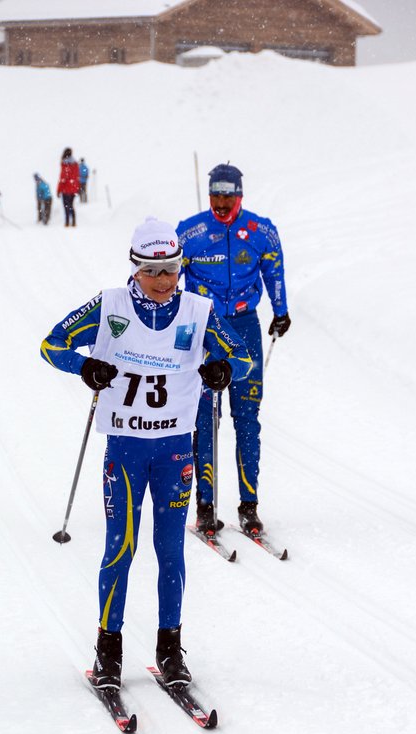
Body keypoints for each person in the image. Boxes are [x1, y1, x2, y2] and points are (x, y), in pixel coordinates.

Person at [40, 217, 252, 691]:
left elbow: (242, 358)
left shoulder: (199, 310)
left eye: (172, 270)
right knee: (122, 547)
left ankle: (170, 650)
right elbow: (51, 345)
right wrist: (85, 365)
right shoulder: (111, 305)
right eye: (153, 271)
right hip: (126, 451)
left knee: (170, 551)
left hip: (176, 451)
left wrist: (223, 370)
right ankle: (108, 651)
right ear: (134, 268)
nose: (163, 281)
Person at [176, 163, 291, 536]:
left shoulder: (260, 231)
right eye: (216, 194)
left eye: (229, 195)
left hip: (244, 328)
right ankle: (205, 507)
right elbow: (165, 275)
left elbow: (274, 269)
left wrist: (281, 310)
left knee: (247, 418)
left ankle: (249, 505)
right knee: (206, 418)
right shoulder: (190, 232)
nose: (222, 202)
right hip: (204, 328)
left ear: (240, 195)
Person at [57, 148, 79, 227]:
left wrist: (58, 190)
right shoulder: (75, 164)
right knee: (71, 205)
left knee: (66, 206)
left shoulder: (65, 164)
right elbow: (77, 177)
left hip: (66, 189)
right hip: (73, 189)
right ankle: (73, 221)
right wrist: (77, 188)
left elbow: (63, 178)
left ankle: (67, 222)